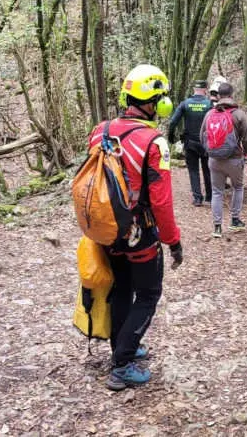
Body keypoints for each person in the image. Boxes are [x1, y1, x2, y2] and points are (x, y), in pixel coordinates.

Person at [87, 64, 183, 391]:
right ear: (154, 102)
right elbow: (161, 202)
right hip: (140, 233)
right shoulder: (154, 142)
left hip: (106, 229)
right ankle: (123, 362)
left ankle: (122, 345)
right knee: (149, 293)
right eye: (160, 98)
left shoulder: (100, 131)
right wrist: (173, 240)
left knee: (122, 289)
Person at [200, 82, 247, 237]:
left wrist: (211, 152)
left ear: (218, 96)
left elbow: (202, 136)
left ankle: (217, 227)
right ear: (232, 95)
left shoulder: (210, 114)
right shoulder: (238, 114)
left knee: (217, 192)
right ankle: (234, 220)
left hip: (214, 159)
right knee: (238, 188)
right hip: (234, 159)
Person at [168, 80, 212, 206]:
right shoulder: (209, 104)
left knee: (193, 170)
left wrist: (171, 137)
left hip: (190, 142)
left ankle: (197, 198)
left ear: (194, 89)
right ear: (205, 89)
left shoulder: (185, 104)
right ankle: (209, 196)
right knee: (207, 169)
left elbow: (173, 122)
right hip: (206, 143)